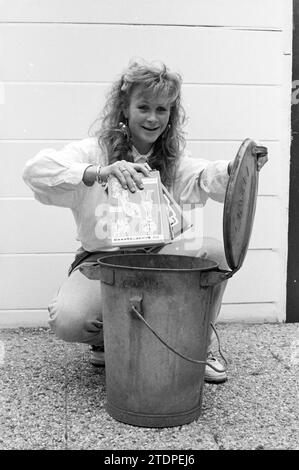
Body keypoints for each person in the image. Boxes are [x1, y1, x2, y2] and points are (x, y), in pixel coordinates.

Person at [23, 59, 268, 384]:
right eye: (144, 107)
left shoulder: (172, 160)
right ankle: (104, 341)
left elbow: (206, 177)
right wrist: (98, 172)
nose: (153, 118)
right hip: (103, 261)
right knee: (70, 319)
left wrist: (239, 169)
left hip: (160, 256)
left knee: (215, 253)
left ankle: (199, 346)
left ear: (171, 115)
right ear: (125, 107)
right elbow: (35, 171)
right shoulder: (93, 152)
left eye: (162, 109)